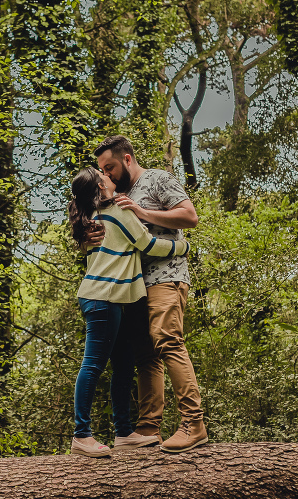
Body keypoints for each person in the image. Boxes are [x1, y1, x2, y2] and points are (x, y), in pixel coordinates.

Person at [88, 135, 208, 454]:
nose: (108, 174)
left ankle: (193, 424)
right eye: (102, 170)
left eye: (110, 166)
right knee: (145, 356)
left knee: (168, 341)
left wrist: (142, 212)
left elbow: (189, 216)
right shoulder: (119, 195)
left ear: (127, 159)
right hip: (135, 285)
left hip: (167, 276)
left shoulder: (158, 179)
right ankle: (147, 429)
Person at [68, 167, 190, 458]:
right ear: (101, 187)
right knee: (93, 365)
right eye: (104, 175)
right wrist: (181, 245)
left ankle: (123, 433)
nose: (110, 176)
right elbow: (147, 244)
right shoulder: (118, 213)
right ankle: (81, 435)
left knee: (123, 366)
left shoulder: (93, 217)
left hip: (114, 300)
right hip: (103, 298)